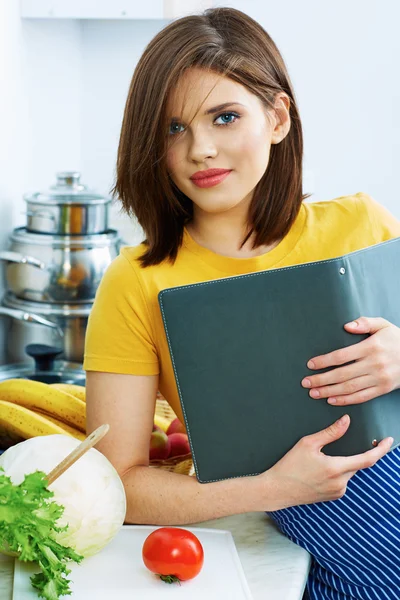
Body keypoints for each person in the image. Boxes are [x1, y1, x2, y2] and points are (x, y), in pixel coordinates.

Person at [83, 7, 400, 599]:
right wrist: (274, 488)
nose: (200, 149)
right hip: (314, 521)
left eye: (224, 117)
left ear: (277, 117)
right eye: (174, 129)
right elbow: (116, 485)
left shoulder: (364, 226)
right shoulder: (136, 281)